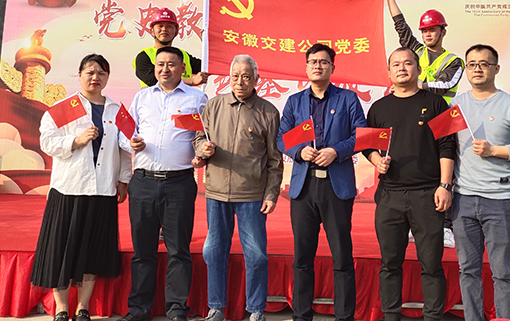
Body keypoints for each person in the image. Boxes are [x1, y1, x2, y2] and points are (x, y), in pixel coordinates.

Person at [32, 54, 132, 321]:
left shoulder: (116, 110)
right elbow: (47, 142)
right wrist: (75, 141)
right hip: (69, 189)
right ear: (79, 75)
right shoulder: (64, 107)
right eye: (90, 72)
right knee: (61, 250)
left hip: (103, 190)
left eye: (101, 73)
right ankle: (61, 308)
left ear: (107, 78)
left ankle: (83, 307)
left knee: (93, 250)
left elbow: (125, 148)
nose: (95, 77)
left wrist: (124, 179)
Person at [362, 48, 456, 321]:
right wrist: (377, 160)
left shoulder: (437, 104)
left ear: (418, 68)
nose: (402, 68)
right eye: (396, 64)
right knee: (390, 264)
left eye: (408, 63)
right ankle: (391, 315)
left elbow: (448, 145)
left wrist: (445, 186)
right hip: (389, 197)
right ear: (389, 71)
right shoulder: (379, 108)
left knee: (432, 264)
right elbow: (368, 145)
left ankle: (433, 316)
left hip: (427, 195)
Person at [277, 44, 367, 321]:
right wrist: (298, 151)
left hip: (336, 186)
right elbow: (281, 137)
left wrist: (336, 151)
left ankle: (344, 316)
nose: (318, 66)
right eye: (313, 61)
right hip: (303, 187)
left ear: (332, 67)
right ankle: (301, 316)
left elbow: (361, 135)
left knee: (342, 256)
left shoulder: (348, 99)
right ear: (306, 67)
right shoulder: (295, 102)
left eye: (324, 62)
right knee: (302, 258)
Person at [451, 44, 510, 321]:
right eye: (471, 64)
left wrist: (495, 151)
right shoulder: (455, 106)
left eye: (484, 64)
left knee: (502, 272)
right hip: (463, 200)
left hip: (499, 201)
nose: (477, 69)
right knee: (468, 271)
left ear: (496, 68)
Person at [118, 46, 208, 321]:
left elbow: (205, 135)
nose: (165, 69)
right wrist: (131, 143)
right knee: (143, 250)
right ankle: (139, 308)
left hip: (179, 183)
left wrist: (202, 153)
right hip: (143, 182)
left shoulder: (197, 98)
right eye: (160, 64)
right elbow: (125, 133)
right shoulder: (142, 96)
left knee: (179, 250)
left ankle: (177, 309)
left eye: (171, 64)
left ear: (183, 68)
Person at [193, 55, 283, 321]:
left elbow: (275, 159)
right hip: (216, 192)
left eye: (246, 77)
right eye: (235, 76)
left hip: (251, 195)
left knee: (256, 255)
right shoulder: (214, 105)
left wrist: (271, 194)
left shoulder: (268, 112)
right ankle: (216, 307)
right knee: (213, 252)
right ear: (229, 78)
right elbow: (199, 136)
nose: (240, 82)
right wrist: (202, 149)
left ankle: (256, 310)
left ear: (256, 79)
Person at [384, 0, 464, 248]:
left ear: (443, 31)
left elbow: (447, 84)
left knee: (449, 169)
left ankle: (447, 226)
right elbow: (401, 27)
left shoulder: (454, 60)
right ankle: (414, 222)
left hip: (445, 116)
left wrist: (420, 84)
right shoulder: (415, 51)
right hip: (419, 114)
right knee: (419, 165)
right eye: (425, 31)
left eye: (433, 30)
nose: (428, 34)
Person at [132, 7, 209, 88]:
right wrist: (191, 81)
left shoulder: (183, 55)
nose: (164, 29)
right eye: (160, 26)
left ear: (176, 31)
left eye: (169, 26)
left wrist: (207, 44)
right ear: (152, 31)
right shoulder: (144, 56)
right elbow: (154, 81)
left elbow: (209, 66)